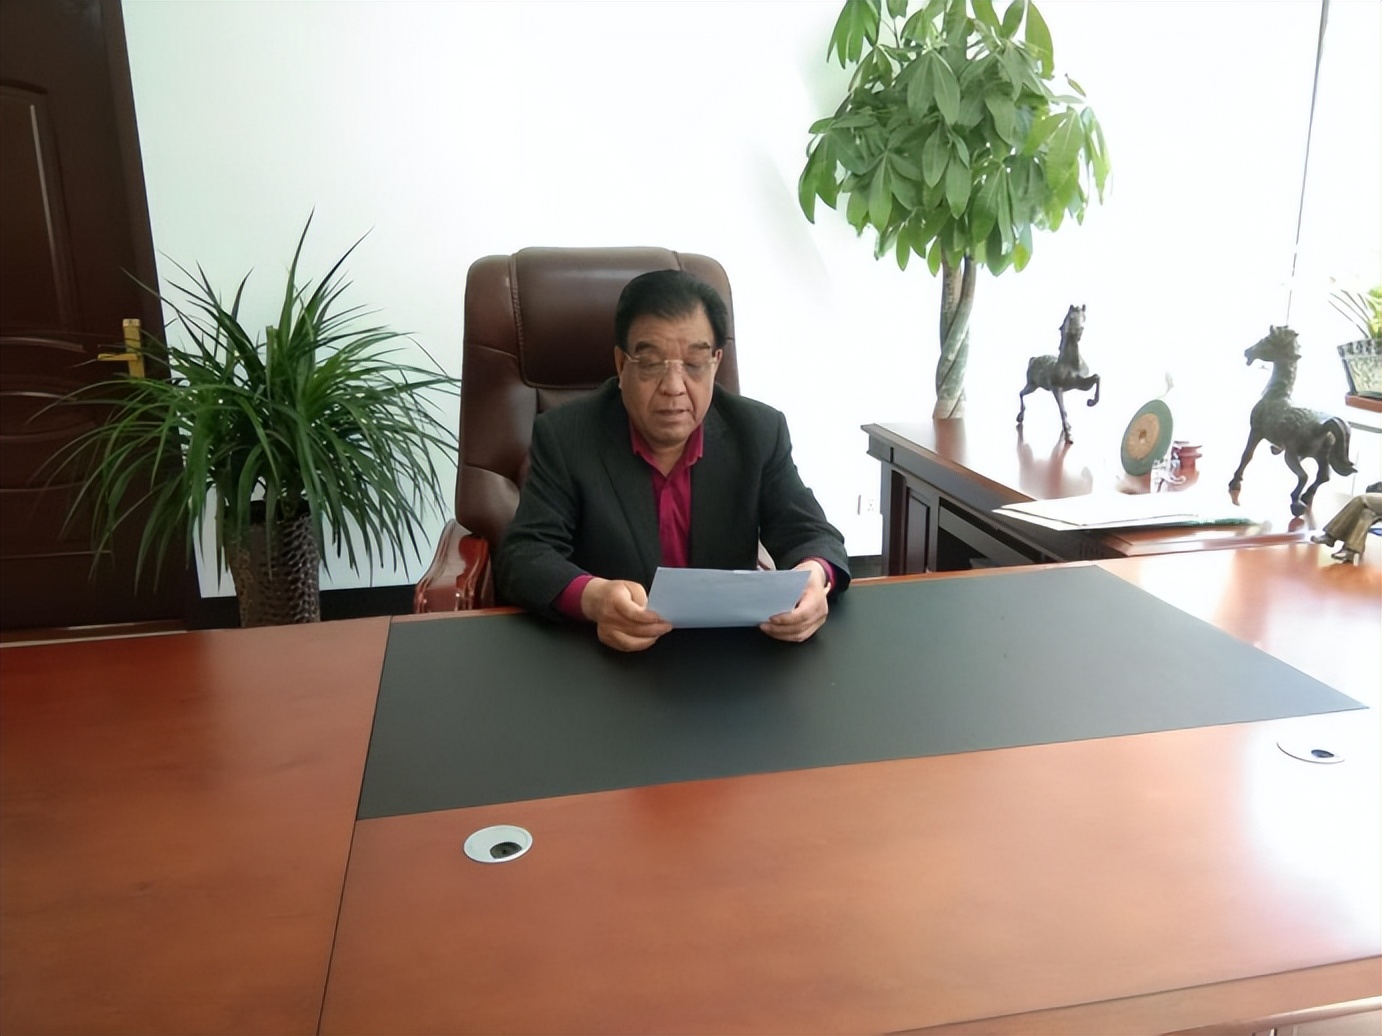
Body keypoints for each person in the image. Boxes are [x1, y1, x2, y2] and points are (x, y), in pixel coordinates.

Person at [495, 269, 850, 651]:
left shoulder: (758, 432)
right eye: (651, 363)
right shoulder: (566, 436)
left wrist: (814, 576)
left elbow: (812, 533)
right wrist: (594, 598)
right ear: (621, 364)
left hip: (724, 653)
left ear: (715, 362)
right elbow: (525, 554)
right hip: (609, 652)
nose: (674, 387)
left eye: (694, 364)